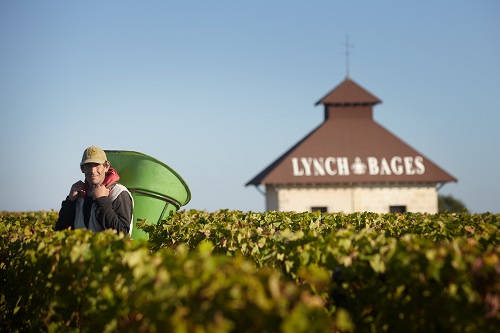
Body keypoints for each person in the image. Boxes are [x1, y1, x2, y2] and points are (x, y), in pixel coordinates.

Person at [54, 146, 134, 235]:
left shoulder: (119, 193)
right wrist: (70, 201)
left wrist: (102, 200)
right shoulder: (79, 196)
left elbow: (123, 233)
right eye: (88, 166)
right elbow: (60, 231)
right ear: (82, 169)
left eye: (97, 165)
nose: (92, 170)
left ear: (106, 166)